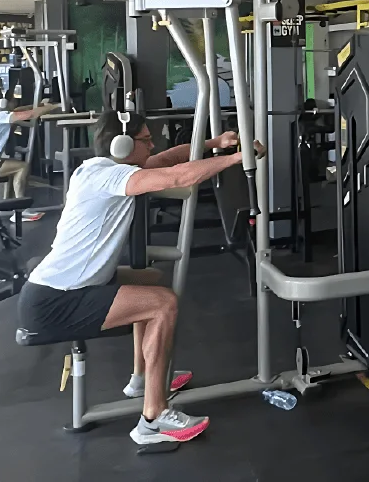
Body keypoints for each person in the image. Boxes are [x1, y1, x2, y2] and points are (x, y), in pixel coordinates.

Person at [18, 111, 265, 446]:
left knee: (152, 281)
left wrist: (213, 143)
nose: (152, 144)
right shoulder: (107, 178)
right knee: (163, 305)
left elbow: (165, 159)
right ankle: (154, 417)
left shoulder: (104, 168)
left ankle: (142, 378)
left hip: (66, 286)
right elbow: (178, 177)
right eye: (146, 139)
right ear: (122, 143)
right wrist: (238, 158)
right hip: (55, 300)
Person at [0, 89, 58, 213]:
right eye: (13, 101)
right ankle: (22, 210)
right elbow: (30, 115)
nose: (15, 103)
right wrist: (53, 107)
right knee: (22, 167)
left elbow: (18, 110)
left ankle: (8, 204)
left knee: (13, 168)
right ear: (4, 102)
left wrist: (39, 105)